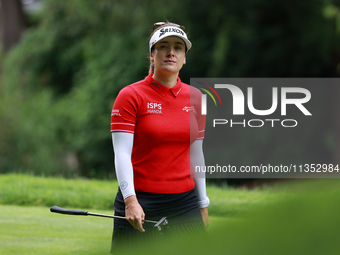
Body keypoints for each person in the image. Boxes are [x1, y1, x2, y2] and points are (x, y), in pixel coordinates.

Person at [110, 21, 210, 252]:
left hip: (185, 204)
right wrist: (130, 201)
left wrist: (203, 203)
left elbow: (196, 153)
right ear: (152, 55)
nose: (171, 52)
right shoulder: (130, 95)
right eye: (163, 46)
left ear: (185, 57)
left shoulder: (196, 98)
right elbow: (122, 153)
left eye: (178, 47)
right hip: (141, 200)